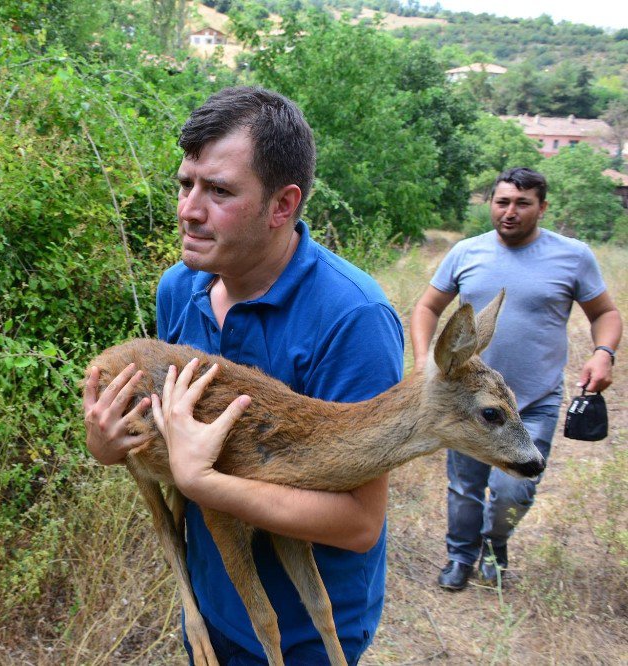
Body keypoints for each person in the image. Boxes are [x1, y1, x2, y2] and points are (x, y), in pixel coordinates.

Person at [83, 86, 404, 665]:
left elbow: (359, 523)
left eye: (219, 191)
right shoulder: (179, 288)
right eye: (186, 184)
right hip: (212, 612)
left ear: (282, 205)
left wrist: (205, 482)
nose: (188, 210)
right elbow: (162, 441)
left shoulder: (353, 318)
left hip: (306, 632)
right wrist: (109, 444)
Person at [410, 166, 622, 591]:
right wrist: (422, 361)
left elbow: (605, 314)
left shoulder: (573, 256)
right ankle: (460, 555)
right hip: (470, 401)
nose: (509, 212)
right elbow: (427, 307)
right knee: (465, 487)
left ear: (541, 207)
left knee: (513, 490)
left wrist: (604, 354)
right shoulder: (466, 252)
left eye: (522, 204)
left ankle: (496, 544)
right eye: (501, 202)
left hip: (536, 400)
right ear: (491, 204)